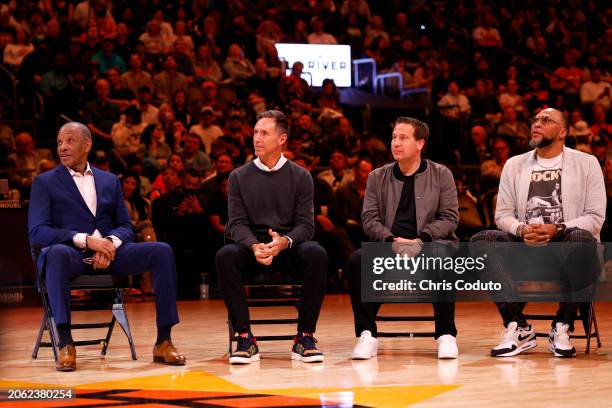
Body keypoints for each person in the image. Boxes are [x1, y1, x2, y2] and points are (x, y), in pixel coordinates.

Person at [28, 122, 185, 371]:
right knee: (55, 253)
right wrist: (87, 241)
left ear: (87, 144)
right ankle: (66, 343)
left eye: (70, 141)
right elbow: (37, 232)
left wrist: (109, 245)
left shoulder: (110, 180)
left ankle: (163, 341)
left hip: (111, 254)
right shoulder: (44, 182)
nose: (63, 148)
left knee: (162, 251)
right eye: (59, 142)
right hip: (71, 255)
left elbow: (125, 225)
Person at [470, 108, 605, 358]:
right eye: (535, 120)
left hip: (568, 248)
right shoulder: (514, 164)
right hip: (526, 248)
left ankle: (562, 326)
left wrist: (557, 229)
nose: (537, 123)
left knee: (582, 238)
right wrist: (521, 230)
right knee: (481, 240)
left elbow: (595, 217)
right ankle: (517, 326)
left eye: (546, 120)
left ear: (563, 131)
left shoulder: (587, 163)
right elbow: (502, 215)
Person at [215, 110, 328, 365]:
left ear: (282, 139)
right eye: (255, 132)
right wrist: (255, 246)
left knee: (317, 254)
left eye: (264, 133)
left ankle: (305, 336)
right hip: (252, 246)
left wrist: (284, 242)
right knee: (225, 256)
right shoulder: (238, 177)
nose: (256, 138)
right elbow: (236, 224)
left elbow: (305, 225)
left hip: (288, 245)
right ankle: (245, 338)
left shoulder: (301, 176)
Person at [347, 117, 460, 360]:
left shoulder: (442, 174)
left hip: (428, 244)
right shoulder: (377, 177)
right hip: (389, 245)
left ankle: (446, 334)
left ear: (420, 143)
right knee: (357, 261)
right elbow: (369, 219)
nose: (396, 143)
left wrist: (422, 239)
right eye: (394, 137)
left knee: (443, 257)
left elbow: (450, 217)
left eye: (403, 138)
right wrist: (391, 241)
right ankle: (367, 334)